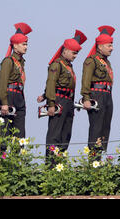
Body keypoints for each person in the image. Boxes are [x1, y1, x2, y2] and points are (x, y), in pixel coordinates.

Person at [44, 30, 87, 166]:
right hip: (59, 101)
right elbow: (51, 83)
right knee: (54, 134)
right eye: (74, 53)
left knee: (66, 134)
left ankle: (60, 164)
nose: (75, 56)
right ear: (66, 50)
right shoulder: (57, 65)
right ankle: (50, 166)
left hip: (68, 102)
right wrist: (51, 103)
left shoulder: (68, 66)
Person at [0, 23, 32, 150]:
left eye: (26, 44)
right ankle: (1, 164)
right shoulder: (8, 61)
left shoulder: (21, 62)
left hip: (19, 97)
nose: (26, 47)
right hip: (8, 96)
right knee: (4, 132)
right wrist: (4, 103)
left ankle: (16, 164)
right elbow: (3, 82)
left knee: (20, 133)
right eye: (24, 44)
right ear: (15, 46)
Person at [81, 25, 115, 161]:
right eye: (109, 45)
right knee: (96, 127)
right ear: (100, 46)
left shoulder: (107, 62)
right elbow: (86, 80)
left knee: (105, 128)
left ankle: (99, 158)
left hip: (107, 95)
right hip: (97, 95)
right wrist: (86, 98)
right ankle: (93, 161)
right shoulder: (91, 61)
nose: (112, 48)